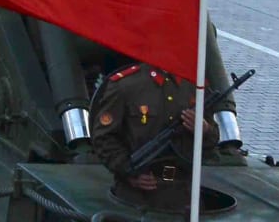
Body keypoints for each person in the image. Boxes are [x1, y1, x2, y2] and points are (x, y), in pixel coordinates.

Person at [89, 61, 219, 213]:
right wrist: (127, 170)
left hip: (183, 194)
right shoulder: (126, 85)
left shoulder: (194, 86)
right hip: (138, 196)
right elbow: (104, 137)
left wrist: (204, 130)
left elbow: (213, 138)